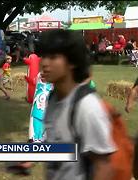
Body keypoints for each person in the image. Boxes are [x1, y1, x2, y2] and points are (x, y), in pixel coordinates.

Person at [36, 29, 116, 180]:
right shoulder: (53, 99)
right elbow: (60, 143)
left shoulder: (87, 107)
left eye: (53, 57)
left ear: (72, 62)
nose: (44, 63)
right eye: (44, 56)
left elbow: (103, 167)